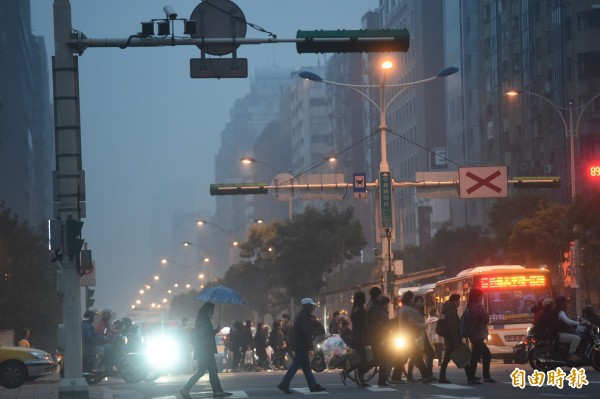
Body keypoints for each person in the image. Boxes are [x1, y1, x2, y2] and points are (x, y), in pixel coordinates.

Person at [180, 302, 232, 398]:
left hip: (205, 350)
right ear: (208, 311)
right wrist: (215, 331)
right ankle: (186, 389)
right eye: (212, 311)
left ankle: (219, 390)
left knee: (211, 371)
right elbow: (205, 336)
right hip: (205, 351)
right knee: (206, 371)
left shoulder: (203, 321)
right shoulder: (204, 322)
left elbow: (207, 334)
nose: (213, 313)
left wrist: (215, 330)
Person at [277, 298, 326, 394]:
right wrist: (311, 347)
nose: (312, 307)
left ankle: (313, 386)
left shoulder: (302, 315)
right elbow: (306, 332)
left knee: (306, 368)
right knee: (295, 366)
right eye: (311, 306)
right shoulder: (303, 316)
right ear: (306, 306)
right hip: (301, 345)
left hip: (300, 345)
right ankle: (284, 383)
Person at [393, 291, 436, 384]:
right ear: (410, 299)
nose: (414, 300)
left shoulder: (401, 309)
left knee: (407, 357)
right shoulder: (409, 310)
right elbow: (413, 324)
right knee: (414, 356)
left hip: (403, 335)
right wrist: (423, 325)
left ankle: (396, 377)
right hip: (409, 336)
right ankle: (425, 376)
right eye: (412, 298)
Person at [438, 293, 470, 384]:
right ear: (454, 301)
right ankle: (470, 377)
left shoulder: (446, 309)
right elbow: (453, 327)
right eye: (458, 301)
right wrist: (456, 341)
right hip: (452, 339)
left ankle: (442, 378)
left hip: (449, 338)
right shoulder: (451, 311)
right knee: (463, 358)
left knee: (448, 359)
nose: (459, 303)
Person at [465, 288, 495, 384]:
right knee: (486, 354)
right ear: (478, 296)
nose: (482, 297)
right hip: (478, 334)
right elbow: (486, 318)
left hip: (473, 334)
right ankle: (484, 376)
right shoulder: (478, 306)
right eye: (481, 296)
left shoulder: (469, 306)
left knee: (475, 356)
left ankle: (472, 377)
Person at [344, 291, 370, 387]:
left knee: (363, 359)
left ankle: (360, 380)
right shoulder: (360, 310)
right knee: (364, 360)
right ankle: (350, 374)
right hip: (359, 337)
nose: (365, 299)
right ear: (361, 298)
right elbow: (361, 325)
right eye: (364, 297)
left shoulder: (355, 309)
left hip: (355, 336)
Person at [554, 295, 581, 362]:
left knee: (575, 333)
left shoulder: (558, 310)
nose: (567, 304)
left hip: (559, 332)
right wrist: (579, 323)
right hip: (559, 333)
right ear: (562, 303)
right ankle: (570, 355)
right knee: (576, 338)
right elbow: (567, 321)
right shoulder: (560, 311)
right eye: (566, 302)